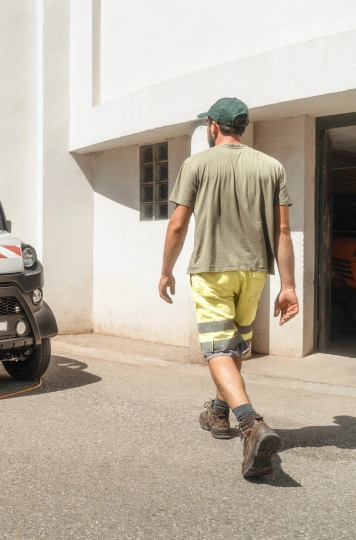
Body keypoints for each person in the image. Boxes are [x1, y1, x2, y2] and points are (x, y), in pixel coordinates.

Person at [158, 97, 300, 477]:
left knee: (218, 349)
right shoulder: (272, 166)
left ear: (213, 126)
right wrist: (289, 286)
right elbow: (283, 230)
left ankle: (251, 424)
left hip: (211, 269)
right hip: (255, 270)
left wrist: (166, 270)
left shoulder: (197, 164)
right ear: (242, 127)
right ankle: (218, 414)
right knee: (236, 344)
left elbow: (177, 224)